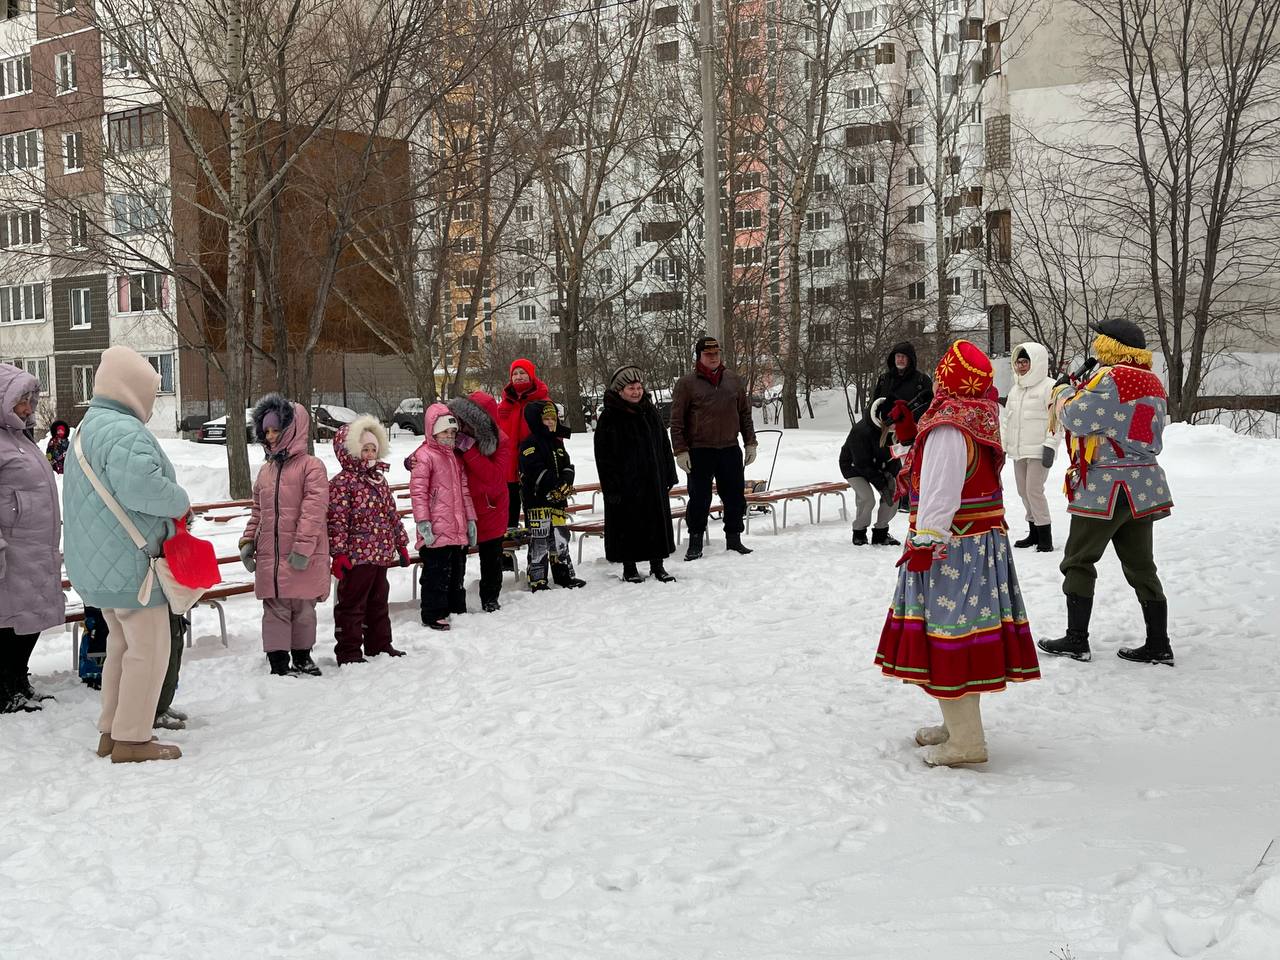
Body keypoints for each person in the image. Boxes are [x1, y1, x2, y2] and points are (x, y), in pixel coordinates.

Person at [875, 340, 1041, 767]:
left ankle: (967, 741)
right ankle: (957, 725)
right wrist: (914, 438)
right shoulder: (980, 412)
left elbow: (940, 488)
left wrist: (926, 541)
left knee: (949, 635)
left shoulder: (949, 424)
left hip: (952, 546)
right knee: (967, 631)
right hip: (979, 544)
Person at [62, 346, 190, 762]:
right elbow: (143, 490)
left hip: (105, 567)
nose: (152, 403)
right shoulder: (123, 431)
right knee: (149, 650)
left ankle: (111, 732)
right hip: (136, 567)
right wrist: (181, 500)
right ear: (132, 388)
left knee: (121, 647)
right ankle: (133, 739)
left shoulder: (88, 428)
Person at [1038, 318, 1175, 666]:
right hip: (1143, 486)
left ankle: (1076, 639)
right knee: (1141, 565)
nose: (1096, 344)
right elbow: (1133, 428)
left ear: (1111, 345)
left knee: (1079, 560)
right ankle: (1158, 642)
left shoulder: (1113, 378)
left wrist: (1063, 392)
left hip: (1106, 487)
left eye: (1100, 340)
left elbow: (1076, 418)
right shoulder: (1151, 381)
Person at [240, 395, 330, 677]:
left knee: (303, 609)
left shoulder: (311, 467)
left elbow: (313, 512)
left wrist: (303, 549)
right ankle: (278, 660)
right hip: (272, 557)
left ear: (291, 428)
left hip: (301, 556)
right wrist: (248, 540)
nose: (270, 436)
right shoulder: (266, 472)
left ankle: (302, 656)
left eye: (275, 429)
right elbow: (258, 511)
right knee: (275, 609)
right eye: (266, 431)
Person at [0, 364, 64, 715]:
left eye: (29, 400)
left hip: (36, 547)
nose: (27, 407)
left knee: (29, 619)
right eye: (20, 400)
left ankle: (17, 680)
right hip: (11, 550)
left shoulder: (21, 440)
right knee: (8, 624)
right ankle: (3, 688)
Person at [327, 415, 410, 664]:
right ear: (350, 451)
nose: (370, 453)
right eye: (365, 449)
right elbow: (337, 521)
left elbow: (391, 513)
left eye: (373, 448)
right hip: (356, 556)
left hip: (380, 553)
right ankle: (349, 651)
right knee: (352, 605)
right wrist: (339, 553)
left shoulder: (378, 480)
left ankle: (380, 644)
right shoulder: (342, 484)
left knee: (378, 602)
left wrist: (401, 543)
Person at [669, 336, 757, 561]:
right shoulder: (687, 384)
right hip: (699, 449)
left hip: (729, 447)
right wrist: (680, 450)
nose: (713, 358)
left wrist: (750, 443)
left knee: (735, 496)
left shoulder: (734, 380)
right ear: (699, 356)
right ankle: (696, 539)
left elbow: (745, 415)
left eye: (716, 353)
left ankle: (734, 538)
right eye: (708, 354)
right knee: (699, 498)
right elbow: (676, 421)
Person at [593, 365, 678, 583]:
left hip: (653, 480)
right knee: (627, 525)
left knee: (655, 523)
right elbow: (604, 457)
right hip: (625, 485)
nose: (637, 392)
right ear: (620, 390)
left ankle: (657, 565)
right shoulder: (610, 417)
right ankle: (629, 567)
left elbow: (663, 444)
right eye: (631, 388)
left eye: (639, 387)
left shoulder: (649, 411)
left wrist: (669, 473)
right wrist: (611, 487)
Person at [407, 404, 477, 630]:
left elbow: (464, 490)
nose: (449, 436)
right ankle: (433, 612)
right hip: (435, 528)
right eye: (444, 432)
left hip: (456, 527)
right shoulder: (424, 456)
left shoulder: (455, 458)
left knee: (457, 570)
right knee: (436, 573)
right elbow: (418, 492)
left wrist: (470, 520)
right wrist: (423, 522)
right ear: (433, 431)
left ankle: (456, 607)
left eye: (452, 432)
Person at [448, 391, 511, 612]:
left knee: (491, 557)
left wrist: (470, 452)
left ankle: (490, 597)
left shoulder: (501, 442)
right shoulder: (455, 437)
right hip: (461, 508)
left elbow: (495, 476)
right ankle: (455, 601)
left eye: (469, 422)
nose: (463, 426)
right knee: (457, 559)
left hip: (490, 507)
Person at [519, 400, 585, 591]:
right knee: (539, 541)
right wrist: (554, 483)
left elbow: (567, 464)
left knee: (559, 538)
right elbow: (534, 470)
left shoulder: (557, 443)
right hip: (537, 501)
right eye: (546, 419)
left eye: (553, 419)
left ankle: (563, 574)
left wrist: (566, 481)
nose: (550, 422)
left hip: (558, 500)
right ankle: (538, 578)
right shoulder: (529, 444)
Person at [1001, 342, 1059, 552]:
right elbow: (1007, 420)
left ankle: (1045, 536)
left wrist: (1050, 446)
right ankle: (1033, 531)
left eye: (1025, 362)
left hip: (1039, 450)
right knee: (1022, 491)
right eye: (1018, 362)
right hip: (1018, 451)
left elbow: (1056, 419)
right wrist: (1004, 445)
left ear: (1036, 362)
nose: (1021, 366)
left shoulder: (1049, 386)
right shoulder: (1015, 390)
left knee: (1034, 490)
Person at [496, 358, 552, 532]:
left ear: (531, 375)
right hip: (508, 465)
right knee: (508, 514)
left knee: (534, 512)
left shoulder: (543, 401)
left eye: (522, 373)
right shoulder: (504, 403)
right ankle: (507, 554)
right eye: (515, 373)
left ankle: (537, 550)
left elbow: (553, 434)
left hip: (534, 465)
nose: (518, 377)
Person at [838, 397, 902, 547]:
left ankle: (881, 532)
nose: (895, 427)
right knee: (867, 499)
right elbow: (862, 463)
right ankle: (859, 532)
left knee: (892, 497)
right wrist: (881, 484)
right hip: (853, 466)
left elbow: (894, 457)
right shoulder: (861, 431)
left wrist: (893, 478)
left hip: (880, 466)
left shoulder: (895, 430)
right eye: (892, 424)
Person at [871, 341, 934, 423]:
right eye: (898, 356)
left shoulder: (922, 380)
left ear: (910, 359)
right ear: (893, 358)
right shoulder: (884, 379)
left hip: (911, 430)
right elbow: (875, 404)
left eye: (903, 357)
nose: (900, 359)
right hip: (884, 428)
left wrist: (907, 419)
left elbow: (929, 406)